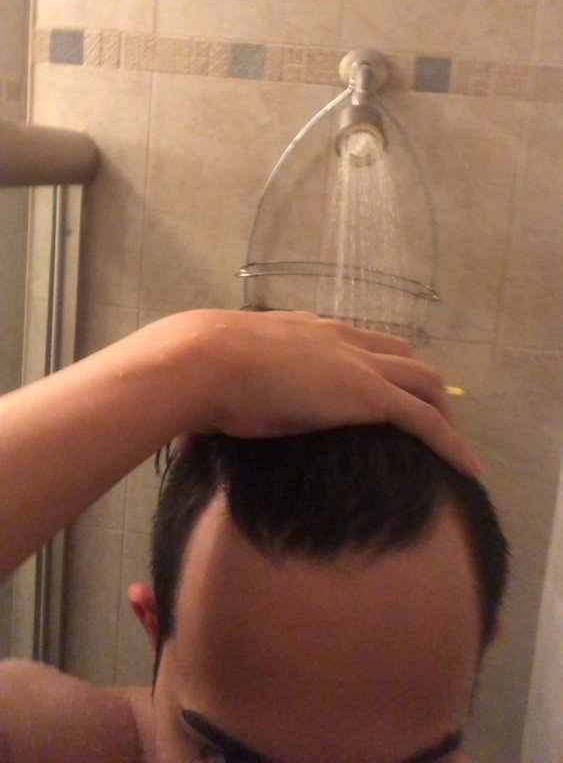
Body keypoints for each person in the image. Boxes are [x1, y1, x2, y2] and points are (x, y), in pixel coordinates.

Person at [0, 309, 503, 763]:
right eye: (225, 760)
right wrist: (197, 360)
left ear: (480, 659)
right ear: (154, 629)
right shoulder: (62, 743)